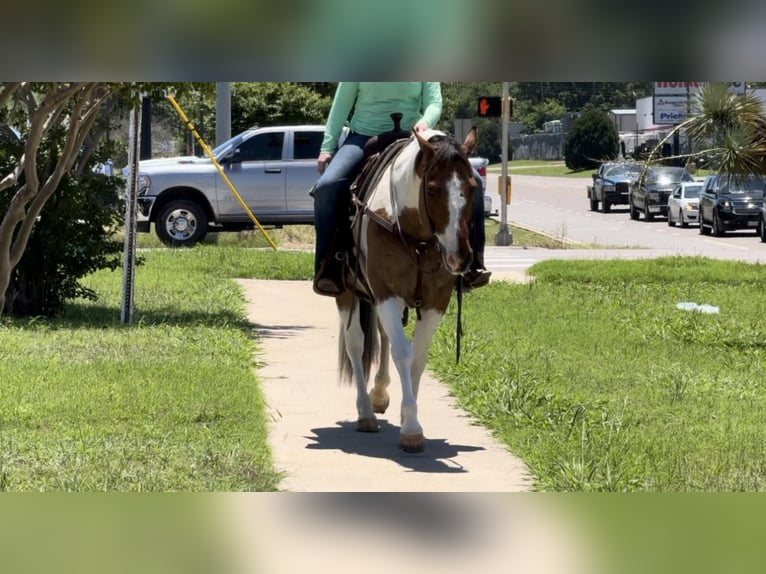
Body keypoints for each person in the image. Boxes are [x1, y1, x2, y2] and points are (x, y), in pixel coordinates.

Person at [312, 82, 491, 296]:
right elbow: (340, 105)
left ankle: (474, 263)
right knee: (327, 186)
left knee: (475, 183)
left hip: (414, 137)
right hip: (364, 136)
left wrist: (424, 123)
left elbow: (434, 102)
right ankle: (329, 264)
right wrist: (327, 147)